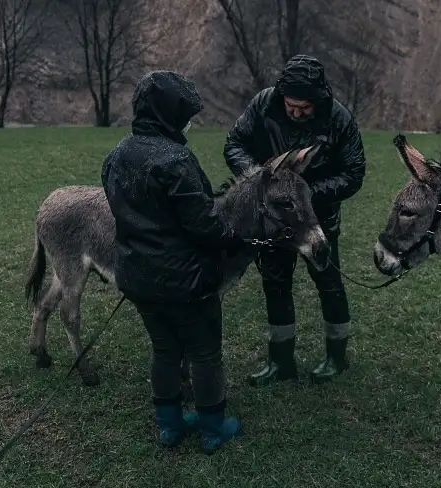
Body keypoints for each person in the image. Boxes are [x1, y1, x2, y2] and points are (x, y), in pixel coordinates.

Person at [100, 70, 245, 454]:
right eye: (184, 114)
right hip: (187, 283)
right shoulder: (176, 160)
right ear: (169, 113)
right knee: (204, 352)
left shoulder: (116, 154)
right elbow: (203, 223)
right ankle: (214, 428)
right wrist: (234, 238)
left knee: (164, 350)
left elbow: (119, 206)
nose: (188, 122)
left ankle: (170, 425)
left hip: (136, 277)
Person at [223, 54, 367, 386]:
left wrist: (304, 191)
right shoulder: (263, 104)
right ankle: (280, 362)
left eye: (305, 107)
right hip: (272, 220)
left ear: (319, 99)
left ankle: (336, 357)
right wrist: (263, 181)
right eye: (291, 106)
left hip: (319, 217)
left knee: (329, 283)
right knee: (274, 283)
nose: (297, 113)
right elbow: (234, 144)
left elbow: (354, 173)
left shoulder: (339, 118)